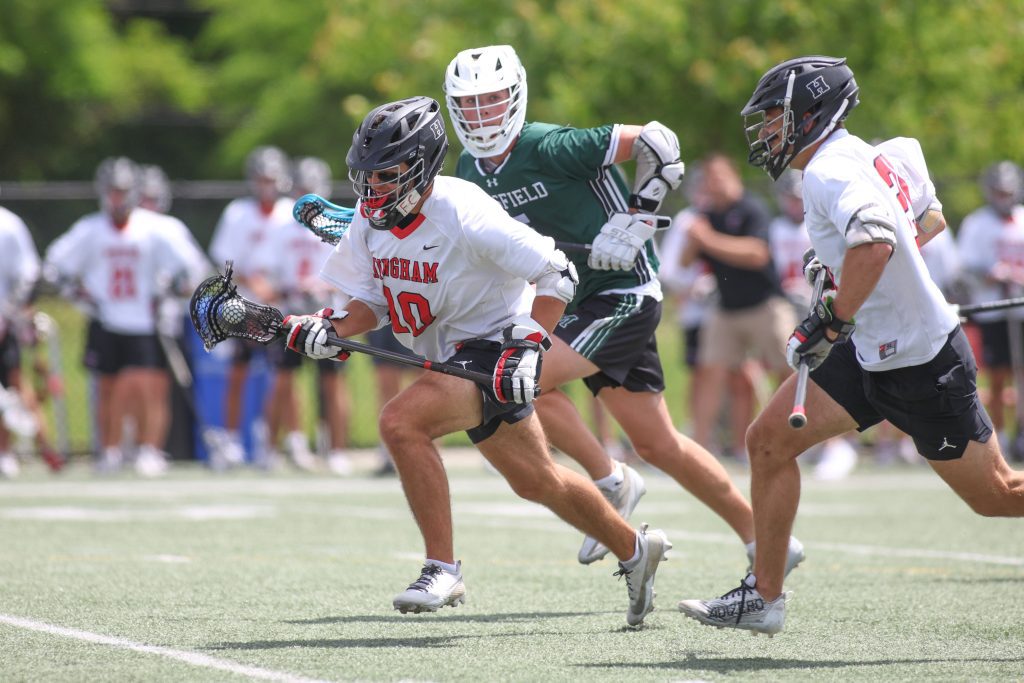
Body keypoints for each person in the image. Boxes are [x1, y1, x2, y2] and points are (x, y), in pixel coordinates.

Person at [282, 96, 670, 624]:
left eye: (387, 175)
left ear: (422, 166)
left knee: (400, 422)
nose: (373, 189)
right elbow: (371, 301)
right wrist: (328, 327)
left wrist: (529, 346)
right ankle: (634, 549)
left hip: (495, 347)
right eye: (367, 176)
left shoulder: (463, 210)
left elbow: (558, 273)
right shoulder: (372, 220)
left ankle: (442, 568)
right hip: (451, 356)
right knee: (538, 481)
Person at [678, 55, 1024, 637]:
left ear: (810, 114)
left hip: (919, 361)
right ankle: (764, 596)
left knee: (997, 495)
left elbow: (875, 243)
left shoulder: (827, 171)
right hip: (871, 346)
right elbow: (927, 222)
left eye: (774, 118)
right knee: (767, 442)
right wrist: (841, 271)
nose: (767, 133)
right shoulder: (872, 153)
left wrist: (833, 318)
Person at [443, 45, 805, 571]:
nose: (481, 113)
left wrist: (638, 215)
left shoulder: (550, 145)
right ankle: (763, 539)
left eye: (493, 99)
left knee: (518, 377)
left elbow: (659, 141)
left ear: (516, 95)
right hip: (573, 302)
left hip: (621, 293)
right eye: (469, 103)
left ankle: (609, 480)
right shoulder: (467, 170)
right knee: (659, 444)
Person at [45, 157, 189, 476]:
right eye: (112, 191)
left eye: (122, 190)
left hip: (144, 322)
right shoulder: (90, 229)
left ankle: (149, 449)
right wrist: (77, 293)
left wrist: (167, 291)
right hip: (106, 320)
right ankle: (109, 450)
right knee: (107, 390)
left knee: (145, 388)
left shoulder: (153, 228)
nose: (117, 198)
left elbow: (186, 268)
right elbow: (56, 266)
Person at [681, 153, 796, 461]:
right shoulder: (706, 215)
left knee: (789, 369)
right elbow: (685, 261)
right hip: (726, 307)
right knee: (710, 372)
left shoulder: (751, 208)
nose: (715, 184)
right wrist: (694, 237)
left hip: (765, 304)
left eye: (720, 176)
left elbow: (756, 254)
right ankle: (699, 448)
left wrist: (707, 239)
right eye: (710, 178)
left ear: (734, 177)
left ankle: (792, 439)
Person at [247, 156, 346, 473]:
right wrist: (278, 293)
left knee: (332, 382)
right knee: (283, 381)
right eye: (302, 189)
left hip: (328, 313)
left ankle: (337, 450)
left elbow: (354, 274)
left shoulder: (338, 226)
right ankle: (271, 449)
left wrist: (323, 286)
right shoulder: (280, 227)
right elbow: (259, 274)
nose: (306, 195)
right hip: (291, 314)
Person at [208, 146, 296, 466]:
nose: (266, 185)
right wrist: (252, 280)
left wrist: (281, 286)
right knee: (238, 373)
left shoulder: (291, 212)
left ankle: (272, 444)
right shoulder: (238, 212)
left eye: (270, 179)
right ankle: (231, 439)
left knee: (283, 378)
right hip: (243, 303)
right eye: (261, 179)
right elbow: (223, 259)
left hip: (282, 303)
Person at [956, 161, 1024, 449]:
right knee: (996, 377)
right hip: (994, 309)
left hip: (1021, 309)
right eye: (998, 191)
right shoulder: (977, 223)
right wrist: (991, 273)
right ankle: (1002, 436)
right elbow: (964, 266)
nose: (1003, 197)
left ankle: (1021, 433)